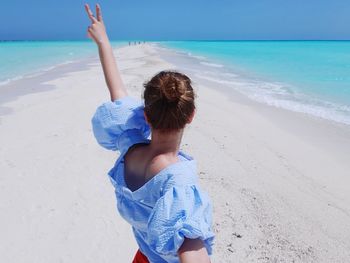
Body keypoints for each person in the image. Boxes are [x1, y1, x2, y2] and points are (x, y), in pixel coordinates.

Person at [84, 4, 215, 262]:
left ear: (145, 115)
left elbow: (118, 94)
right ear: (190, 116)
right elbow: (190, 248)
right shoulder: (177, 180)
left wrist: (103, 42)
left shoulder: (131, 148)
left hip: (142, 255)